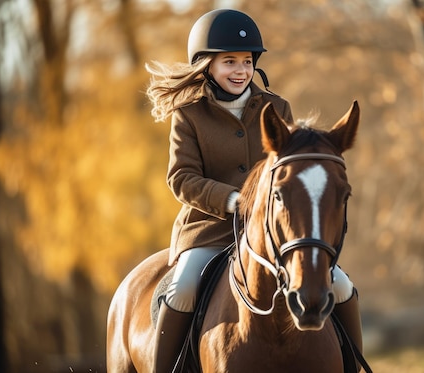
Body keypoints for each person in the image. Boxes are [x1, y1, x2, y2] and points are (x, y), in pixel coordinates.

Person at [145, 9, 363, 372]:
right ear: (205, 66)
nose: (240, 70)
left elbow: (292, 174)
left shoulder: (277, 108)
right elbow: (181, 177)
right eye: (229, 61)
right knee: (182, 288)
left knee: (340, 285)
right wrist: (234, 200)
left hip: (274, 232)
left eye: (246, 61)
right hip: (209, 231)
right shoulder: (189, 114)